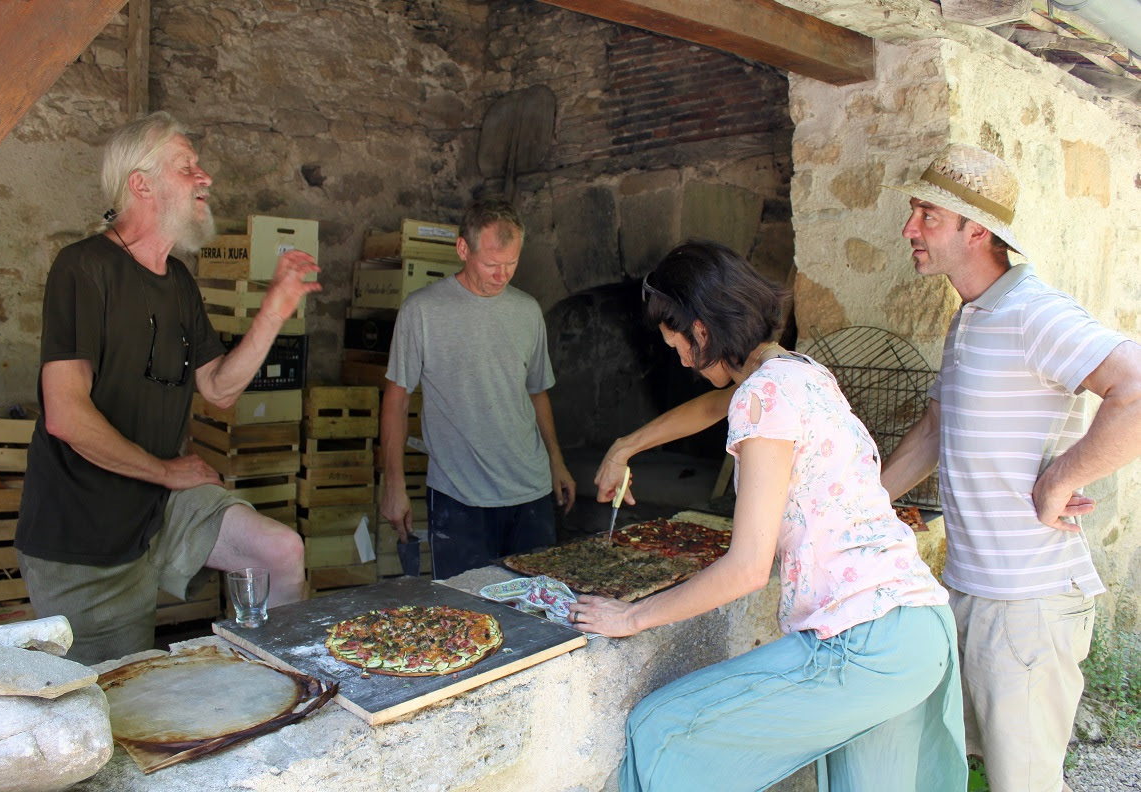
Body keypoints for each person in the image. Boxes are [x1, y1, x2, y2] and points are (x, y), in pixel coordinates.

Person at [572, 241, 966, 792]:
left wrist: (631, 618)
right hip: (919, 631)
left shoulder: (762, 397)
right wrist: (626, 446)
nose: (681, 361)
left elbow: (747, 569)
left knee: (660, 731)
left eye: (678, 344)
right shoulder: (799, 372)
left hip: (860, 641)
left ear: (701, 329)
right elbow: (719, 406)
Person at [879, 143, 1141, 792]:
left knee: (1025, 783)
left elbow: (1135, 389)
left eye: (927, 215)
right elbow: (936, 431)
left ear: (977, 230)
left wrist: (1062, 479)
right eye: (914, 211)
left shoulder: (1032, 311)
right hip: (970, 586)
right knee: (964, 765)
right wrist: (854, 504)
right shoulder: (969, 316)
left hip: (1027, 600)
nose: (910, 228)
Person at [15, 111, 317, 664]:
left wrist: (275, 310)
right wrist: (166, 471)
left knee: (279, 551)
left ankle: (279, 697)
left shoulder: (178, 280)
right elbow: (65, 414)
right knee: (112, 701)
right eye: (188, 167)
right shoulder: (83, 268)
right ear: (141, 183)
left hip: (160, 507)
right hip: (84, 535)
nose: (205, 179)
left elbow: (219, 388)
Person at [378, 197, 575, 579]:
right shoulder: (422, 311)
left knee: (538, 616)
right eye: (491, 264)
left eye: (511, 264)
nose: (502, 276)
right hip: (458, 497)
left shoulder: (528, 311)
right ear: (463, 249)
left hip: (530, 492)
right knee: (464, 618)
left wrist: (556, 461)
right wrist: (395, 483)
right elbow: (396, 400)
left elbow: (537, 393)